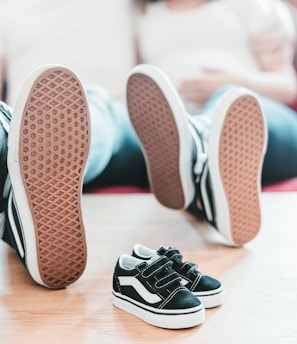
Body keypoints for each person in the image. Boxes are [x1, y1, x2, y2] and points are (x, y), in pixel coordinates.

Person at [0, 0, 271, 289]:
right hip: (24, 122)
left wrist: (272, 23)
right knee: (21, 130)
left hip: (119, 122)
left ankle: (19, 181)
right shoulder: (8, 8)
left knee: (94, 110)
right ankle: (16, 160)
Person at [133, 0, 297, 186]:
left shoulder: (250, 6)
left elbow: (287, 86)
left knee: (229, 99)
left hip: (261, 123)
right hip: (176, 131)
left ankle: (198, 150)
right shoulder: (144, 16)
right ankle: (201, 162)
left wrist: (232, 84)